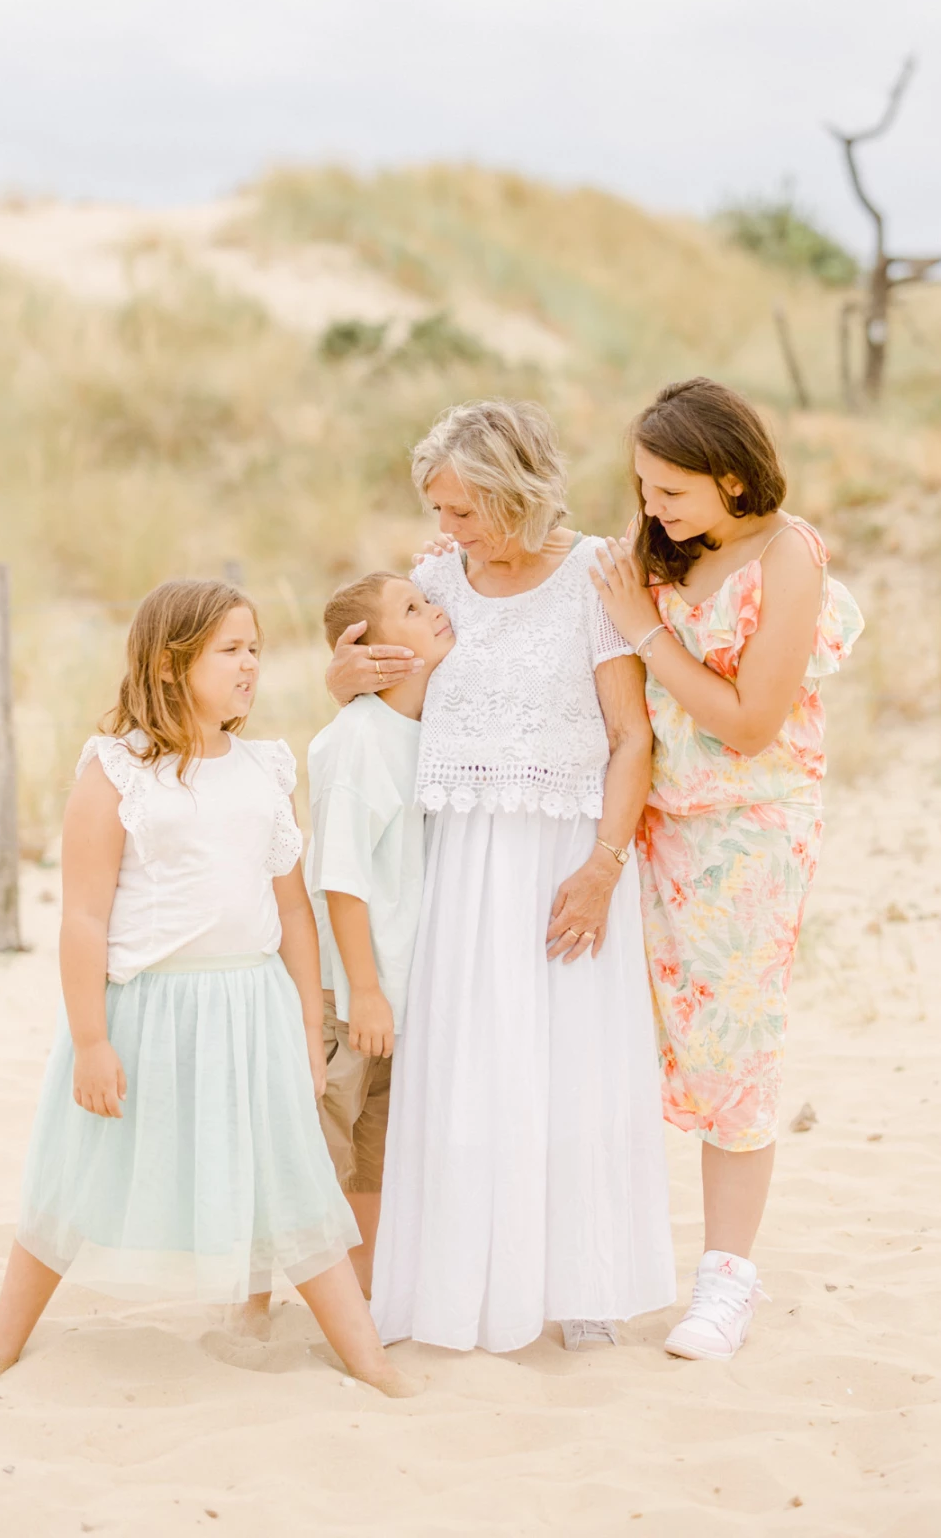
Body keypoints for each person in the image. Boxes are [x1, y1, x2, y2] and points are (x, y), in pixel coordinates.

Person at [0, 578, 418, 1397]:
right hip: (143, 1010)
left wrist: (303, 1025)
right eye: (230, 650)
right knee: (72, 1181)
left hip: (249, 1011)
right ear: (173, 664)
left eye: (255, 649)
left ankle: (366, 1358)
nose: (250, 665)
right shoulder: (117, 771)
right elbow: (83, 921)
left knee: (296, 1181)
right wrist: (93, 1040)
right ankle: (0, 1342)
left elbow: (292, 912)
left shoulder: (265, 768)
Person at [327, 401, 675, 1354]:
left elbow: (632, 737)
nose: (444, 530)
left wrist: (604, 867)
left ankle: (581, 1286)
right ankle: (461, 1286)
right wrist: (344, 681)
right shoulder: (434, 582)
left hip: (567, 858)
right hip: (459, 865)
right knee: (469, 1072)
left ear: (514, 494)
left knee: (573, 1070)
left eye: (460, 510)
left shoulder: (596, 578)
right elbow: (375, 704)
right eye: (438, 510)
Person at [590, 377, 863, 1362]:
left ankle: (727, 1280)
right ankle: (603, 1261)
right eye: (643, 488)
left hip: (749, 834)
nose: (652, 509)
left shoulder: (788, 556)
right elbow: (581, 581)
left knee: (732, 1049)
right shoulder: (656, 553)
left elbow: (751, 723)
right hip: (655, 826)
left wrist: (648, 635)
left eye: (673, 492)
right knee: (630, 1038)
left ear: (735, 480)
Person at [308, 572, 453, 1297]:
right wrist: (363, 992)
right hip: (352, 996)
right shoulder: (359, 740)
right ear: (370, 650)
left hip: (397, 990)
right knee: (319, 1144)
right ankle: (256, 1296)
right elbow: (342, 878)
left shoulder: (424, 733)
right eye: (414, 609)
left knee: (374, 1151)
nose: (437, 612)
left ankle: (361, 1291)